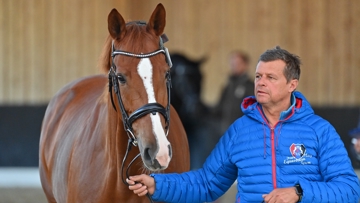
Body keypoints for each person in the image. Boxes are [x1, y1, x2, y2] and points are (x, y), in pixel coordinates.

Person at [126, 46, 360, 203]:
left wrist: (299, 192)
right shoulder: (239, 131)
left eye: (271, 77)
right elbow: (207, 183)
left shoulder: (319, 130)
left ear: (292, 84)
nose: (261, 83)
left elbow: (350, 189)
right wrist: (157, 184)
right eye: (258, 76)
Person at [212, 50, 254, 134]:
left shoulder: (251, 86)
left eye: (238, 64)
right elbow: (219, 108)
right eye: (232, 64)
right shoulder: (228, 87)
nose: (234, 66)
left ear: (245, 65)